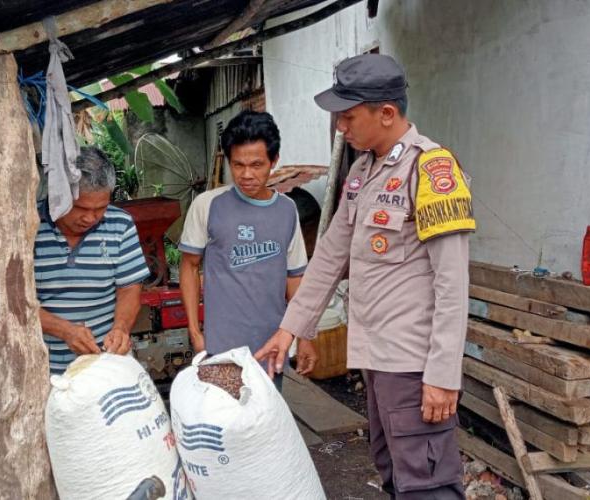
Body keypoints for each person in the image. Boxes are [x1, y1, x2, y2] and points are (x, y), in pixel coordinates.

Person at [256, 54, 475, 499]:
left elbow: (452, 285)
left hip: (414, 364)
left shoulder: (430, 169)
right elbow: (330, 257)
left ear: (387, 113)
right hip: (377, 359)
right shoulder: (362, 172)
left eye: (349, 116)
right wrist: (289, 330)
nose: (341, 127)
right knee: (392, 470)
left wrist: (442, 375)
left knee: (427, 482)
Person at [178, 110, 318, 389]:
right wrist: (195, 332)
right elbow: (189, 266)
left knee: (265, 425)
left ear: (274, 161)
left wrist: (305, 337)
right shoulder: (207, 205)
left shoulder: (287, 210)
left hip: (271, 346)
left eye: (256, 165)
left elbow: (295, 279)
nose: (246, 175)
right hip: (221, 349)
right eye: (238, 165)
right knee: (224, 426)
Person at [35, 146, 150, 374]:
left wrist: (121, 329)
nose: (90, 218)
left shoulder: (120, 224)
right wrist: (63, 330)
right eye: (80, 208)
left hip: (103, 365)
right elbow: (14, 305)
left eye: (100, 209)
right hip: (42, 370)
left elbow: (129, 289)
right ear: (59, 193)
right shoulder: (28, 226)